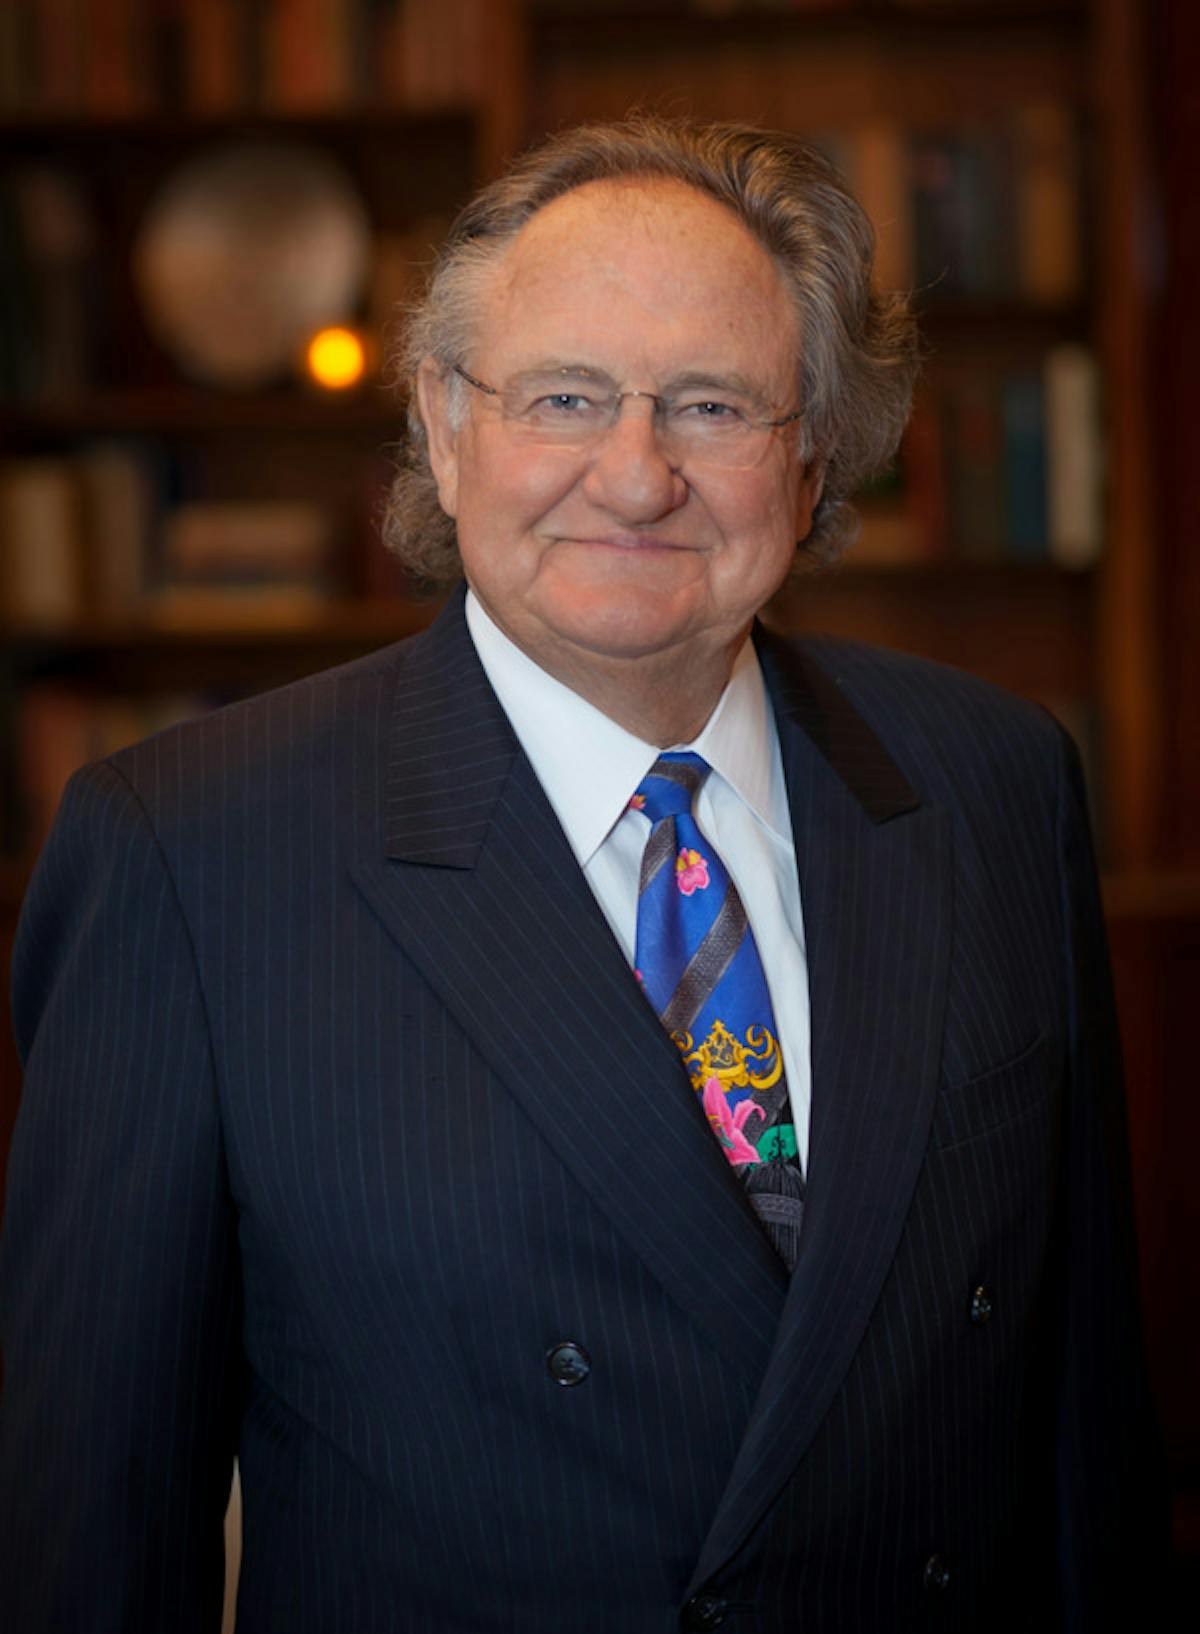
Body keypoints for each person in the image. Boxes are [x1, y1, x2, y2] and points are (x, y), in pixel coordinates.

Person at [0, 117, 1163, 1632]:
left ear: (810, 455)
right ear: (438, 422)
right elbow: (90, 1531)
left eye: (712, 404)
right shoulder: (189, 849)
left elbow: (1087, 1443)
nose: (635, 476)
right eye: (565, 396)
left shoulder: (996, 782)